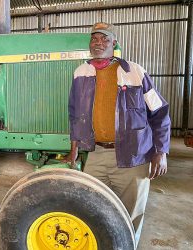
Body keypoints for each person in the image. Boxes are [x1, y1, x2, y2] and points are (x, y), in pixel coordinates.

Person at [66, 22, 171, 246]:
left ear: (114, 43)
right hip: (96, 153)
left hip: (133, 155)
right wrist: (74, 148)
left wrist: (160, 151)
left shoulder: (134, 71)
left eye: (105, 39)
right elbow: (75, 113)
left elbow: (159, 111)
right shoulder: (80, 73)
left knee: (130, 213)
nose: (99, 43)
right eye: (95, 39)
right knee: (91, 206)